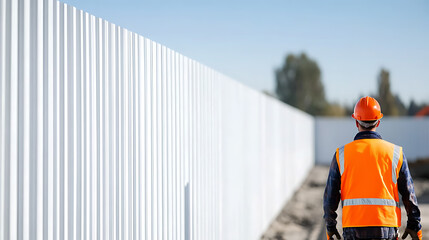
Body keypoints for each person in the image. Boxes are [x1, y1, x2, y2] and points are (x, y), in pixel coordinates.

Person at [323, 96, 422, 240]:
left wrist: (330, 227)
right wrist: (414, 225)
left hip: (353, 228)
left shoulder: (341, 155)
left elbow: (330, 197)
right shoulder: (395, 153)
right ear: (379, 122)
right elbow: (409, 194)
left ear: (356, 122)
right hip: (386, 227)